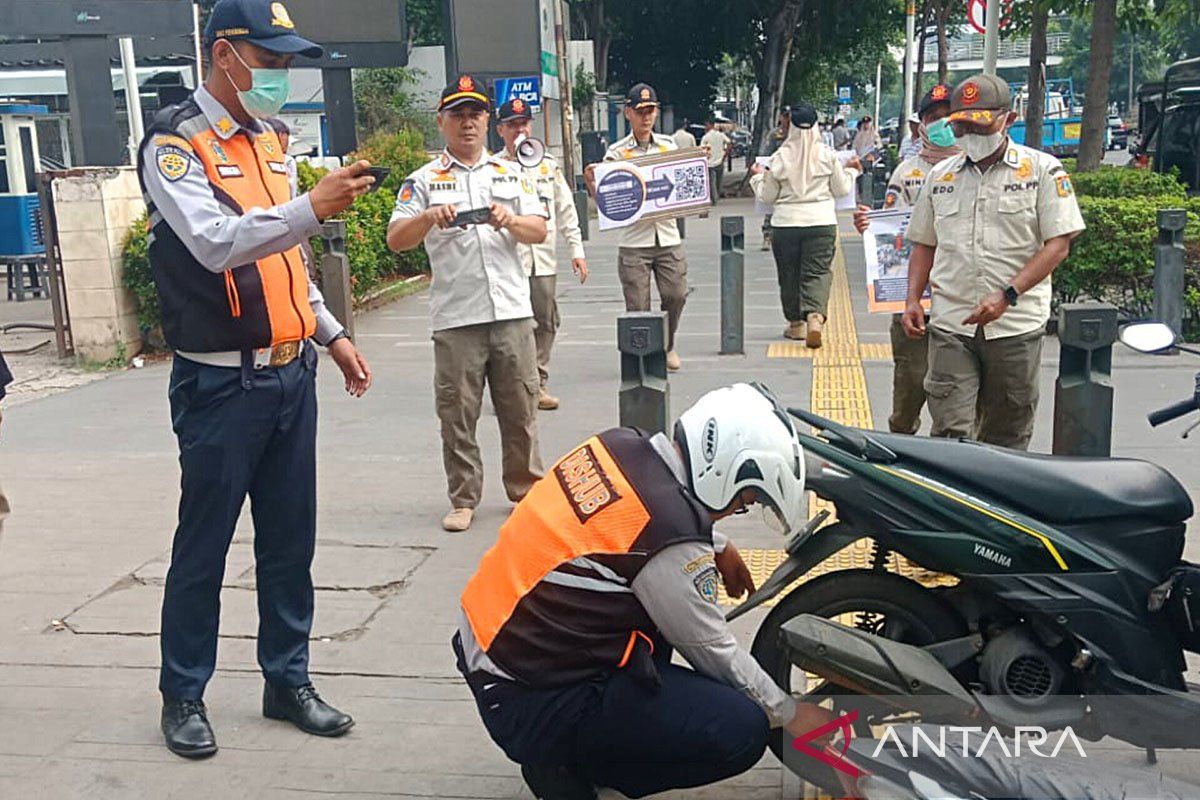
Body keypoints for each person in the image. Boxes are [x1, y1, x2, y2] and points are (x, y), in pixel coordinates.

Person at [138, 0, 375, 759]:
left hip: (289, 376)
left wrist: (331, 335)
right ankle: (183, 695)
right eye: (266, 62)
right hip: (220, 388)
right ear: (223, 55)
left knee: (288, 541)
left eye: (282, 63)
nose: (277, 76)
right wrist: (311, 205)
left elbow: (287, 257)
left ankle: (288, 679)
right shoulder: (177, 145)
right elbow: (214, 245)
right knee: (204, 547)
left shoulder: (272, 140)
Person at [453, 383, 836, 800]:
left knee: (649, 626)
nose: (736, 510)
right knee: (742, 728)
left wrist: (717, 543)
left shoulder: (622, 444)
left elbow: (625, 522)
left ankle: (573, 743)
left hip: (494, 650)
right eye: (742, 500)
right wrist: (793, 713)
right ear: (722, 472)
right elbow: (716, 653)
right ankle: (563, 763)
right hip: (525, 698)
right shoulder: (669, 541)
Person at [387, 75, 549, 533]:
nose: (468, 123)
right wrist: (426, 217)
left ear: (487, 120)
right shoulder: (422, 180)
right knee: (458, 413)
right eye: (457, 114)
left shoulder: (510, 173)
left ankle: (526, 489)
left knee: (521, 408)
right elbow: (396, 239)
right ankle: (463, 497)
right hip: (457, 315)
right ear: (441, 122)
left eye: (475, 113)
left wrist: (510, 219)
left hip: (511, 310)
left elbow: (539, 229)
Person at [905, 74, 1085, 450]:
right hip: (952, 324)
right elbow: (924, 243)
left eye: (979, 123)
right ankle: (954, 506)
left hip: (1015, 327)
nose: (970, 132)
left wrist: (1008, 295)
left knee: (1007, 436)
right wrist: (911, 300)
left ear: (1008, 119)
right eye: (961, 125)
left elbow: (1058, 245)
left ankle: (996, 508)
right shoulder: (941, 176)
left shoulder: (1042, 171)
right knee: (951, 434)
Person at [853, 84, 958, 435]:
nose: (942, 124)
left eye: (948, 116)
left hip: (963, 301)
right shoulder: (908, 172)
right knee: (911, 383)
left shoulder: (977, 169)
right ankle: (902, 440)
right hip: (916, 298)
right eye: (933, 118)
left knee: (957, 400)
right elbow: (892, 231)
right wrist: (870, 227)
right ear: (921, 125)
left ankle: (953, 455)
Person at [585, 83, 689, 372]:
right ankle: (645, 358)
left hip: (667, 235)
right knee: (638, 306)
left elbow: (682, 183)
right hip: (634, 241)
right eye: (640, 111)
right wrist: (593, 182)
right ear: (628, 113)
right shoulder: (616, 154)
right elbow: (606, 201)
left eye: (651, 111)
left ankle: (667, 345)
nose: (646, 117)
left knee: (676, 294)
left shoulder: (669, 145)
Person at [494, 98, 588, 411]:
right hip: (509, 260)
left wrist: (577, 250)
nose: (519, 130)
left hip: (543, 260)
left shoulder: (547, 164)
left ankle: (537, 383)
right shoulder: (492, 168)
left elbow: (565, 208)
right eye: (512, 125)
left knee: (546, 322)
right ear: (501, 130)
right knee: (511, 329)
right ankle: (512, 389)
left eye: (524, 123)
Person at [750, 103, 861, 348]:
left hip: (785, 225)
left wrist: (758, 176)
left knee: (789, 274)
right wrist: (852, 172)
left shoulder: (779, 157)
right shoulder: (827, 155)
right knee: (818, 272)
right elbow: (841, 189)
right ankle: (814, 317)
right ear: (815, 126)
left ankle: (796, 325)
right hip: (821, 222)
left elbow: (767, 197)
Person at [759, 107, 791, 251]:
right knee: (770, 205)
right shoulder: (775, 134)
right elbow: (767, 154)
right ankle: (767, 235)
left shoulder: (798, 133)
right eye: (785, 116)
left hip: (792, 176)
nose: (787, 119)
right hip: (776, 173)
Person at [701, 118, 731, 204]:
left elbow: (703, 149)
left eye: (706, 125)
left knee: (711, 182)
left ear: (709, 125)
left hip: (710, 162)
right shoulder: (720, 135)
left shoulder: (705, 137)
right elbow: (729, 143)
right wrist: (725, 154)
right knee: (718, 181)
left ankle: (714, 199)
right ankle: (716, 195)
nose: (705, 127)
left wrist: (706, 157)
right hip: (720, 160)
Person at [266, 117, 298, 197]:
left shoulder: (288, 161)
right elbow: (291, 192)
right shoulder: (288, 161)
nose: (287, 143)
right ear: (280, 135)